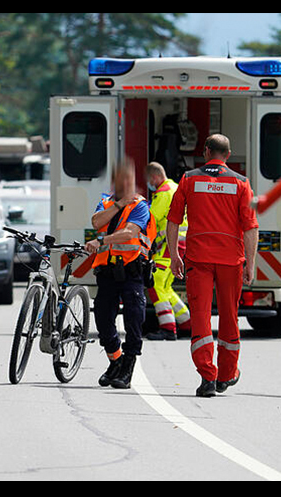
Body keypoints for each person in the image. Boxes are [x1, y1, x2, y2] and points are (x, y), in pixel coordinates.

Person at [168, 134, 258, 398]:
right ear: (228, 155)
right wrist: (251, 264)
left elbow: (173, 220)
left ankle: (208, 377)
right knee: (229, 317)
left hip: (199, 259)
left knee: (200, 318)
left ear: (206, 152)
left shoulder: (189, 179)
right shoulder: (241, 183)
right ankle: (227, 375)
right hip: (232, 261)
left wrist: (174, 254)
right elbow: (250, 227)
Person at [85, 163, 156, 389]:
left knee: (133, 320)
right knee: (103, 319)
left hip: (131, 271)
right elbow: (96, 222)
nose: (125, 184)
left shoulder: (140, 205)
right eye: (121, 179)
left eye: (129, 179)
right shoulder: (106, 202)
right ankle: (115, 361)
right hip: (106, 271)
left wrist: (102, 241)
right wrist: (118, 204)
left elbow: (130, 233)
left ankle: (128, 366)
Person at [142, 162, 192, 341]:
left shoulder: (163, 193)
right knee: (165, 286)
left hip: (169, 245)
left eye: (149, 180)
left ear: (154, 177)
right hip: (179, 244)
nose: (149, 184)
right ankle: (187, 323)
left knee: (156, 282)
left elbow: (150, 219)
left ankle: (168, 328)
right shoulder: (175, 187)